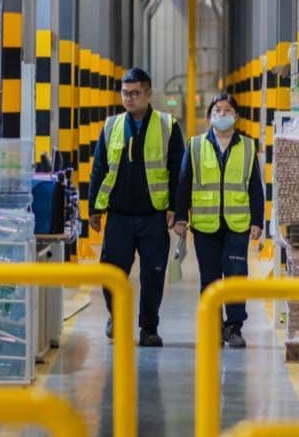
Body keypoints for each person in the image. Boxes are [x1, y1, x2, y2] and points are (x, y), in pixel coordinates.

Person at [89, 67, 185, 347]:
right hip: (118, 216)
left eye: (135, 93)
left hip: (153, 216)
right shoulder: (111, 126)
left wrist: (176, 210)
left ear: (148, 93)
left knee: (153, 275)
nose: (129, 98)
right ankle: (116, 317)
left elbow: (178, 170)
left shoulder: (168, 125)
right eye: (125, 93)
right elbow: (99, 168)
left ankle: (148, 327)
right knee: (111, 272)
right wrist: (94, 209)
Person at [173, 93, 264, 348]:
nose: (222, 115)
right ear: (209, 116)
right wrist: (181, 217)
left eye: (227, 110)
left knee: (236, 277)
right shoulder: (195, 145)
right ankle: (213, 325)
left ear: (236, 116)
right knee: (210, 277)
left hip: (237, 224)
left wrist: (257, 220)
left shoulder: (247, 146)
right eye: (217, 111)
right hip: (205, 224)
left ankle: (234, 327)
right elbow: (183, 183)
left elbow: (255, 187)